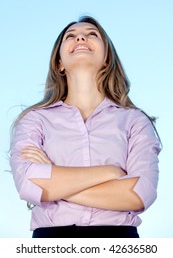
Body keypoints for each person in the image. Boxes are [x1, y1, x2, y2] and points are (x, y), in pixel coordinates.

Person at [10, 15, 161, 238]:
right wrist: (110, 173)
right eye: (70, 36)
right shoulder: (34, 120)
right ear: (59, 63)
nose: (81, 36)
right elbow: (29, 184)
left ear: (107, 59)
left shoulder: (135, 121)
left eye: (92, 34)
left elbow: (139, 194)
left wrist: (55, 184)